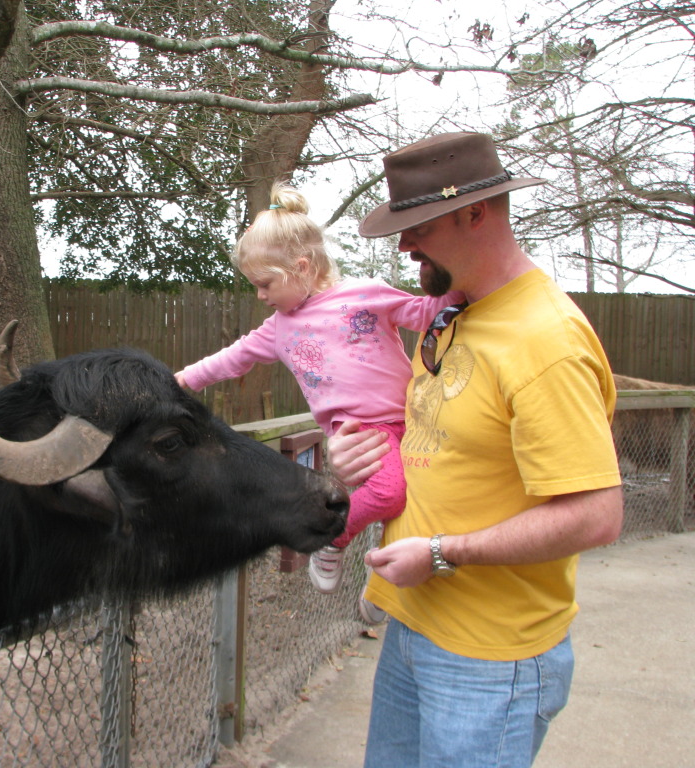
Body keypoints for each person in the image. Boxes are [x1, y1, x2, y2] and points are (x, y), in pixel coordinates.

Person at [329, 131, 624, 768]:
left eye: (418, 228)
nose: (405, 245)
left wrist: (441, 553)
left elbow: (597, 516)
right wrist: (352, 462)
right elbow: (437, 445)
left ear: (475, 213)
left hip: (490, 660)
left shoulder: (545, 340)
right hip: (413, 626)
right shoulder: (454, 312)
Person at [175, 182, 463, 604]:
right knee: (389, 494)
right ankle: (332, 538)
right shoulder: (279, 328)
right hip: (364, 432)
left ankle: (384, 586)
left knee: (416, 508)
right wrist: (183, 381)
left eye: (265, 284)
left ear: (302, 267)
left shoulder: (365, 294)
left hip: (414, 419)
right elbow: (234, 358)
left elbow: (424, 314)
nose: (260, 295)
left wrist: (461, 284)